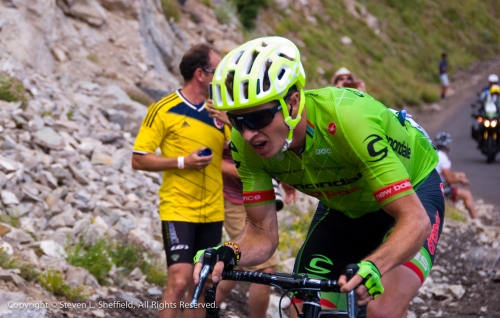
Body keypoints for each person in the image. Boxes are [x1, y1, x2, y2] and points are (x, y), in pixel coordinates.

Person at [193, 36, 445, 318]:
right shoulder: (245, 145)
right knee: (302, 307)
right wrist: (229, 252)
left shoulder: (348, 118)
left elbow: (415, 218)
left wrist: (375, 264)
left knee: (381, 310)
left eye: (259, 118)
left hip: (412, 195)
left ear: (292, 102)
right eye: (238, 121)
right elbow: (262, 234)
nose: (249, 133)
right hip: (344, 207)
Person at [132, 43, 230, 318]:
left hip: (213, 212)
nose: (221, 76)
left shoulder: (219, 113)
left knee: (201, 284)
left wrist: (233, 123)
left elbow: (243, 156)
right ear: (200, 74)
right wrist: (182, 162)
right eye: (216, 70)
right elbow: (139, 158)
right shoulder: (163, 108)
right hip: (178, 208)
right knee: (179, 280)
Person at [207, 101, 298, 318]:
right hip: (234, 201)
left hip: (258, 200)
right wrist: (254, 174)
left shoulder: (252, 115)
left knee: (235, 263)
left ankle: (205, 309)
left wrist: (286, 183)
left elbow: (276, 154)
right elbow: (210, 161)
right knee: (265, 268)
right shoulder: (219, 118)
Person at [434, 132, 478, 220]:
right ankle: (476, 220)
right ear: (447, 145)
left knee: (454, 187)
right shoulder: (443, 158)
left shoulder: (436, 154)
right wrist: (462, 180)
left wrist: (459, 176)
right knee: (467, 194)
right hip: (439, 188)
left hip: (434, 185)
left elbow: (444, 174)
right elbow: (449, 179)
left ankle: (453, 209)